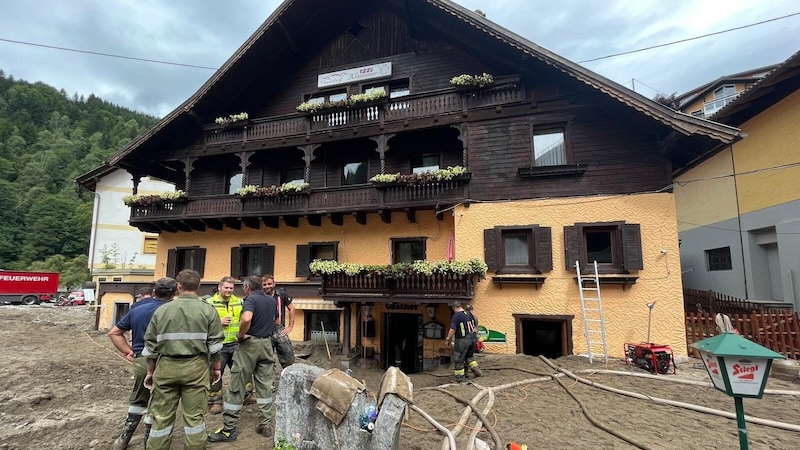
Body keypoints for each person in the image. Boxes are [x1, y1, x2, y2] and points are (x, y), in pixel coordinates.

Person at [143, 269, 224, 450]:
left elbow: (150, 346)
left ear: (178, 287)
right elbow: (216, 346)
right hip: (196, 369)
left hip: (166, 368)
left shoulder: (162, 311)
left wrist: (150, 372)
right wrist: (216, 369)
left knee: (161, 419)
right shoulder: (208, 310)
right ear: (199, 286)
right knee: (194, 419)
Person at [208, 275, 278, 442]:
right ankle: (266, 424)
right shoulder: (271, 300)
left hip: (249, 345)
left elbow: (246, 318)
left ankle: (229, 430)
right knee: (265, 386)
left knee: (236, 385)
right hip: (266, 345)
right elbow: (277, 320)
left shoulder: (250, 300)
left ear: (247, 287)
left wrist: (241, 334)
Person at [107, 281, 171, 449]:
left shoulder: (138, 308)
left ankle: (124, 439)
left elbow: (114, 333)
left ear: (155, 291)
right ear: (174, 293)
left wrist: (128, 351)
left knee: (139, 397)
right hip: (167, 360)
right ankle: (148, 441)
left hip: (142, 358)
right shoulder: (173, 310)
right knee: (157, 400)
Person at [206, 276, 245, 415]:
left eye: (231, 288)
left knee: (240, 371)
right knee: (216, 373)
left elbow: (244, 319)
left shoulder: (239, 302)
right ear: (219, 287)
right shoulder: (209, 303)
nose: (229, 290)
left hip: (235, 343)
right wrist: (218, 321)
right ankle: (215, 402)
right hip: (218, 345)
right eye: (226, 287)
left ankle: (245, 396)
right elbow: (202, 322)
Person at [262, 274, 295, 368]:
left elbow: (292, 309)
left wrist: (290, 326)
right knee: (267, 359)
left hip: (279, 329)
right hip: (265, 330)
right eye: (265, 284)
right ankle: (269, 381)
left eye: (269, 284)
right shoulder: (259, 296)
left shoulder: (281, 294)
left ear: (274, 284)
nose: (267, 286)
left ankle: (288, 377)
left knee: (288, 356)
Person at [445, 301, 482, 383]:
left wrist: (448, 339)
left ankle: (460, 378)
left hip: (462, 340)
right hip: (472, 339)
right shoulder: (470, 314)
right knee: (469, 357)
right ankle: (477, 371)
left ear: (455, 308)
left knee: (458, 359)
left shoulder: (456, 316)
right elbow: (474, 327)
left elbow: (452, 329)